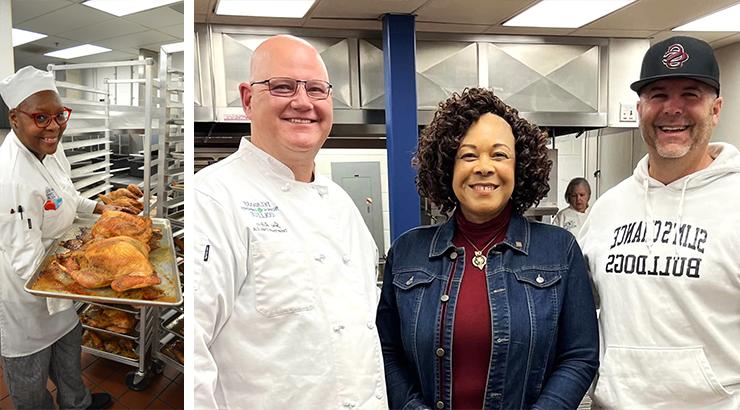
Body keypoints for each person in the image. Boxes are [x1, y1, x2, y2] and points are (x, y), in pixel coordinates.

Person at [192, 35, 388, 409]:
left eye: (316, 89)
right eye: (282, 87)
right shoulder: (214, 198)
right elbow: (195, 354)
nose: (303, 102)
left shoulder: (342, 205)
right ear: (248, 99)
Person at [377, 88, 599, 410]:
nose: (484, 167)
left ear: (519, 166)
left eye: (499, 155)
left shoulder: (559, 251)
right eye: (468, 155)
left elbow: (579, 356)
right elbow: (387, 353)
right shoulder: (407, 253)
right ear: (446, 167)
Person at [578, 35, 740, 409]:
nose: (673, 109)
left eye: (690, 95)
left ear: (716, 110)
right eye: (659, 95)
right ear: (640, 108)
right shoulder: (608, 208)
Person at [0, 67, 118, 410]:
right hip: (26, 298)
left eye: (59, 115)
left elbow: (66, 198)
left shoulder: (50, 148)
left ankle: (77, 404)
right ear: (15, 118)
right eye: (40, 117)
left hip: (60, 279)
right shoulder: (10, 179)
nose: (54, 127)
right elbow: (27, 263)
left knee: (69, 355)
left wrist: (106, 210)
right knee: (30, 381)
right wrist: (96, 279)